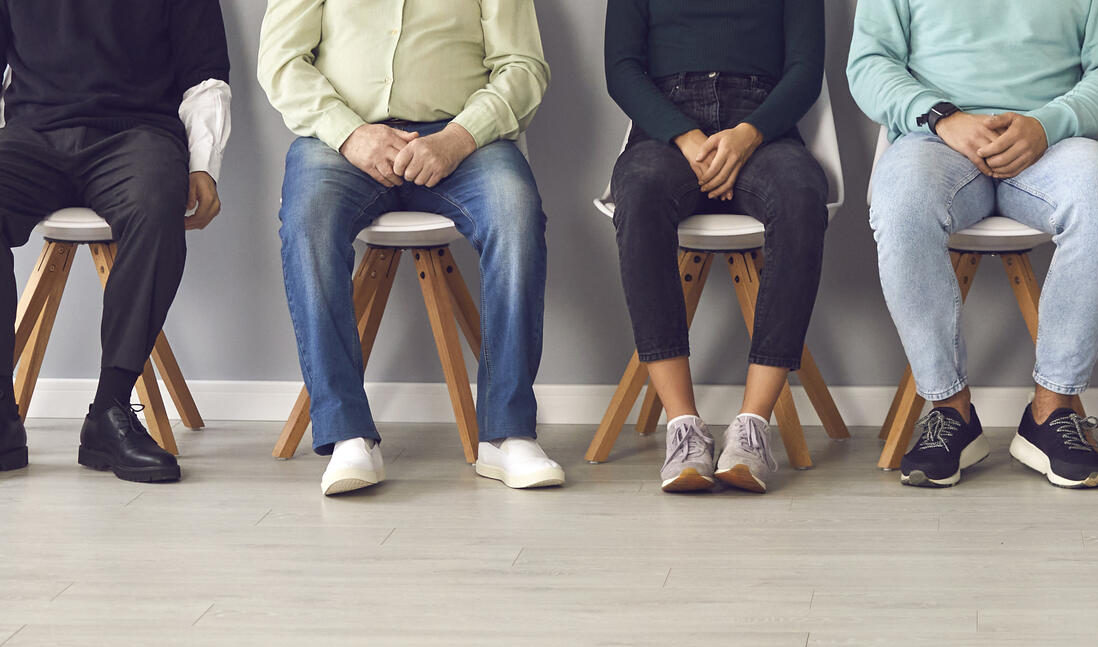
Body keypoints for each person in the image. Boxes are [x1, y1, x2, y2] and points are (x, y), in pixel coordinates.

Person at [258, 0, 562, 496]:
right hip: (342, 144)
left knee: (516, 212)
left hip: (465, 142)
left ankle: (507, 435)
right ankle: (347, 434)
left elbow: (523, 67)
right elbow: (282, 61)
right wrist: (351, 134)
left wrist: (458, 138)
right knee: (307, 223)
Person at [849, 0, 1098, 490]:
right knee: (899, 205)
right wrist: (943, 117)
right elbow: (869, 62)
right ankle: (949, 411)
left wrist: (1048, 123)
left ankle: (1051, 413)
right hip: (936, 140)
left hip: (1051, 142)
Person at [0, 0, 230, 484]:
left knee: (156, 204)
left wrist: (204, 163)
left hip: (137, 135)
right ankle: (1, 412)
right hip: (32, 135)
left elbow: (204, 74)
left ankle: (109, 413)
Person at [605, 0, 828, 495]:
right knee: (639, 194)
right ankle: (683, 428)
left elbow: (806, 71)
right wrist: (687, 138)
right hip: (667, 130)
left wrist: (747, 137)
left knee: (802, 197)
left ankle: (752, 428)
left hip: (762, 126)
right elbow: (621, 69)